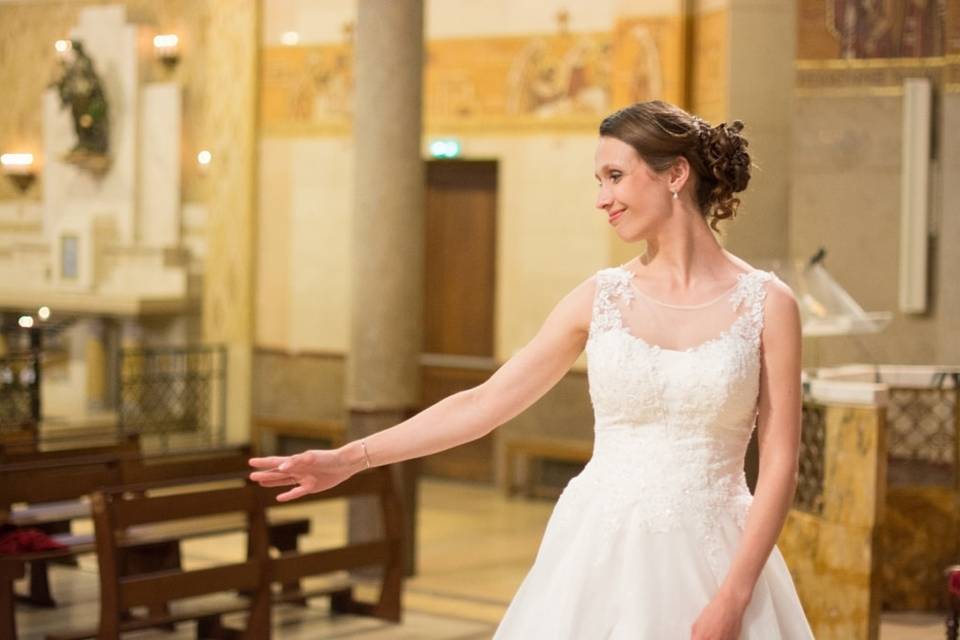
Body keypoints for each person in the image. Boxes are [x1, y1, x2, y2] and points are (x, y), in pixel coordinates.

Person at [249, 100, 814, 639]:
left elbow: (781, 460)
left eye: (614, 176)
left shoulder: (769, 304)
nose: (602, 198)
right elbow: (482, 404)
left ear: (675, 174)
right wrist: (349, 458)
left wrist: (734, 596)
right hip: (598, 548)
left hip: (719, 552)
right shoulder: (599, 298)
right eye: (598, 181)